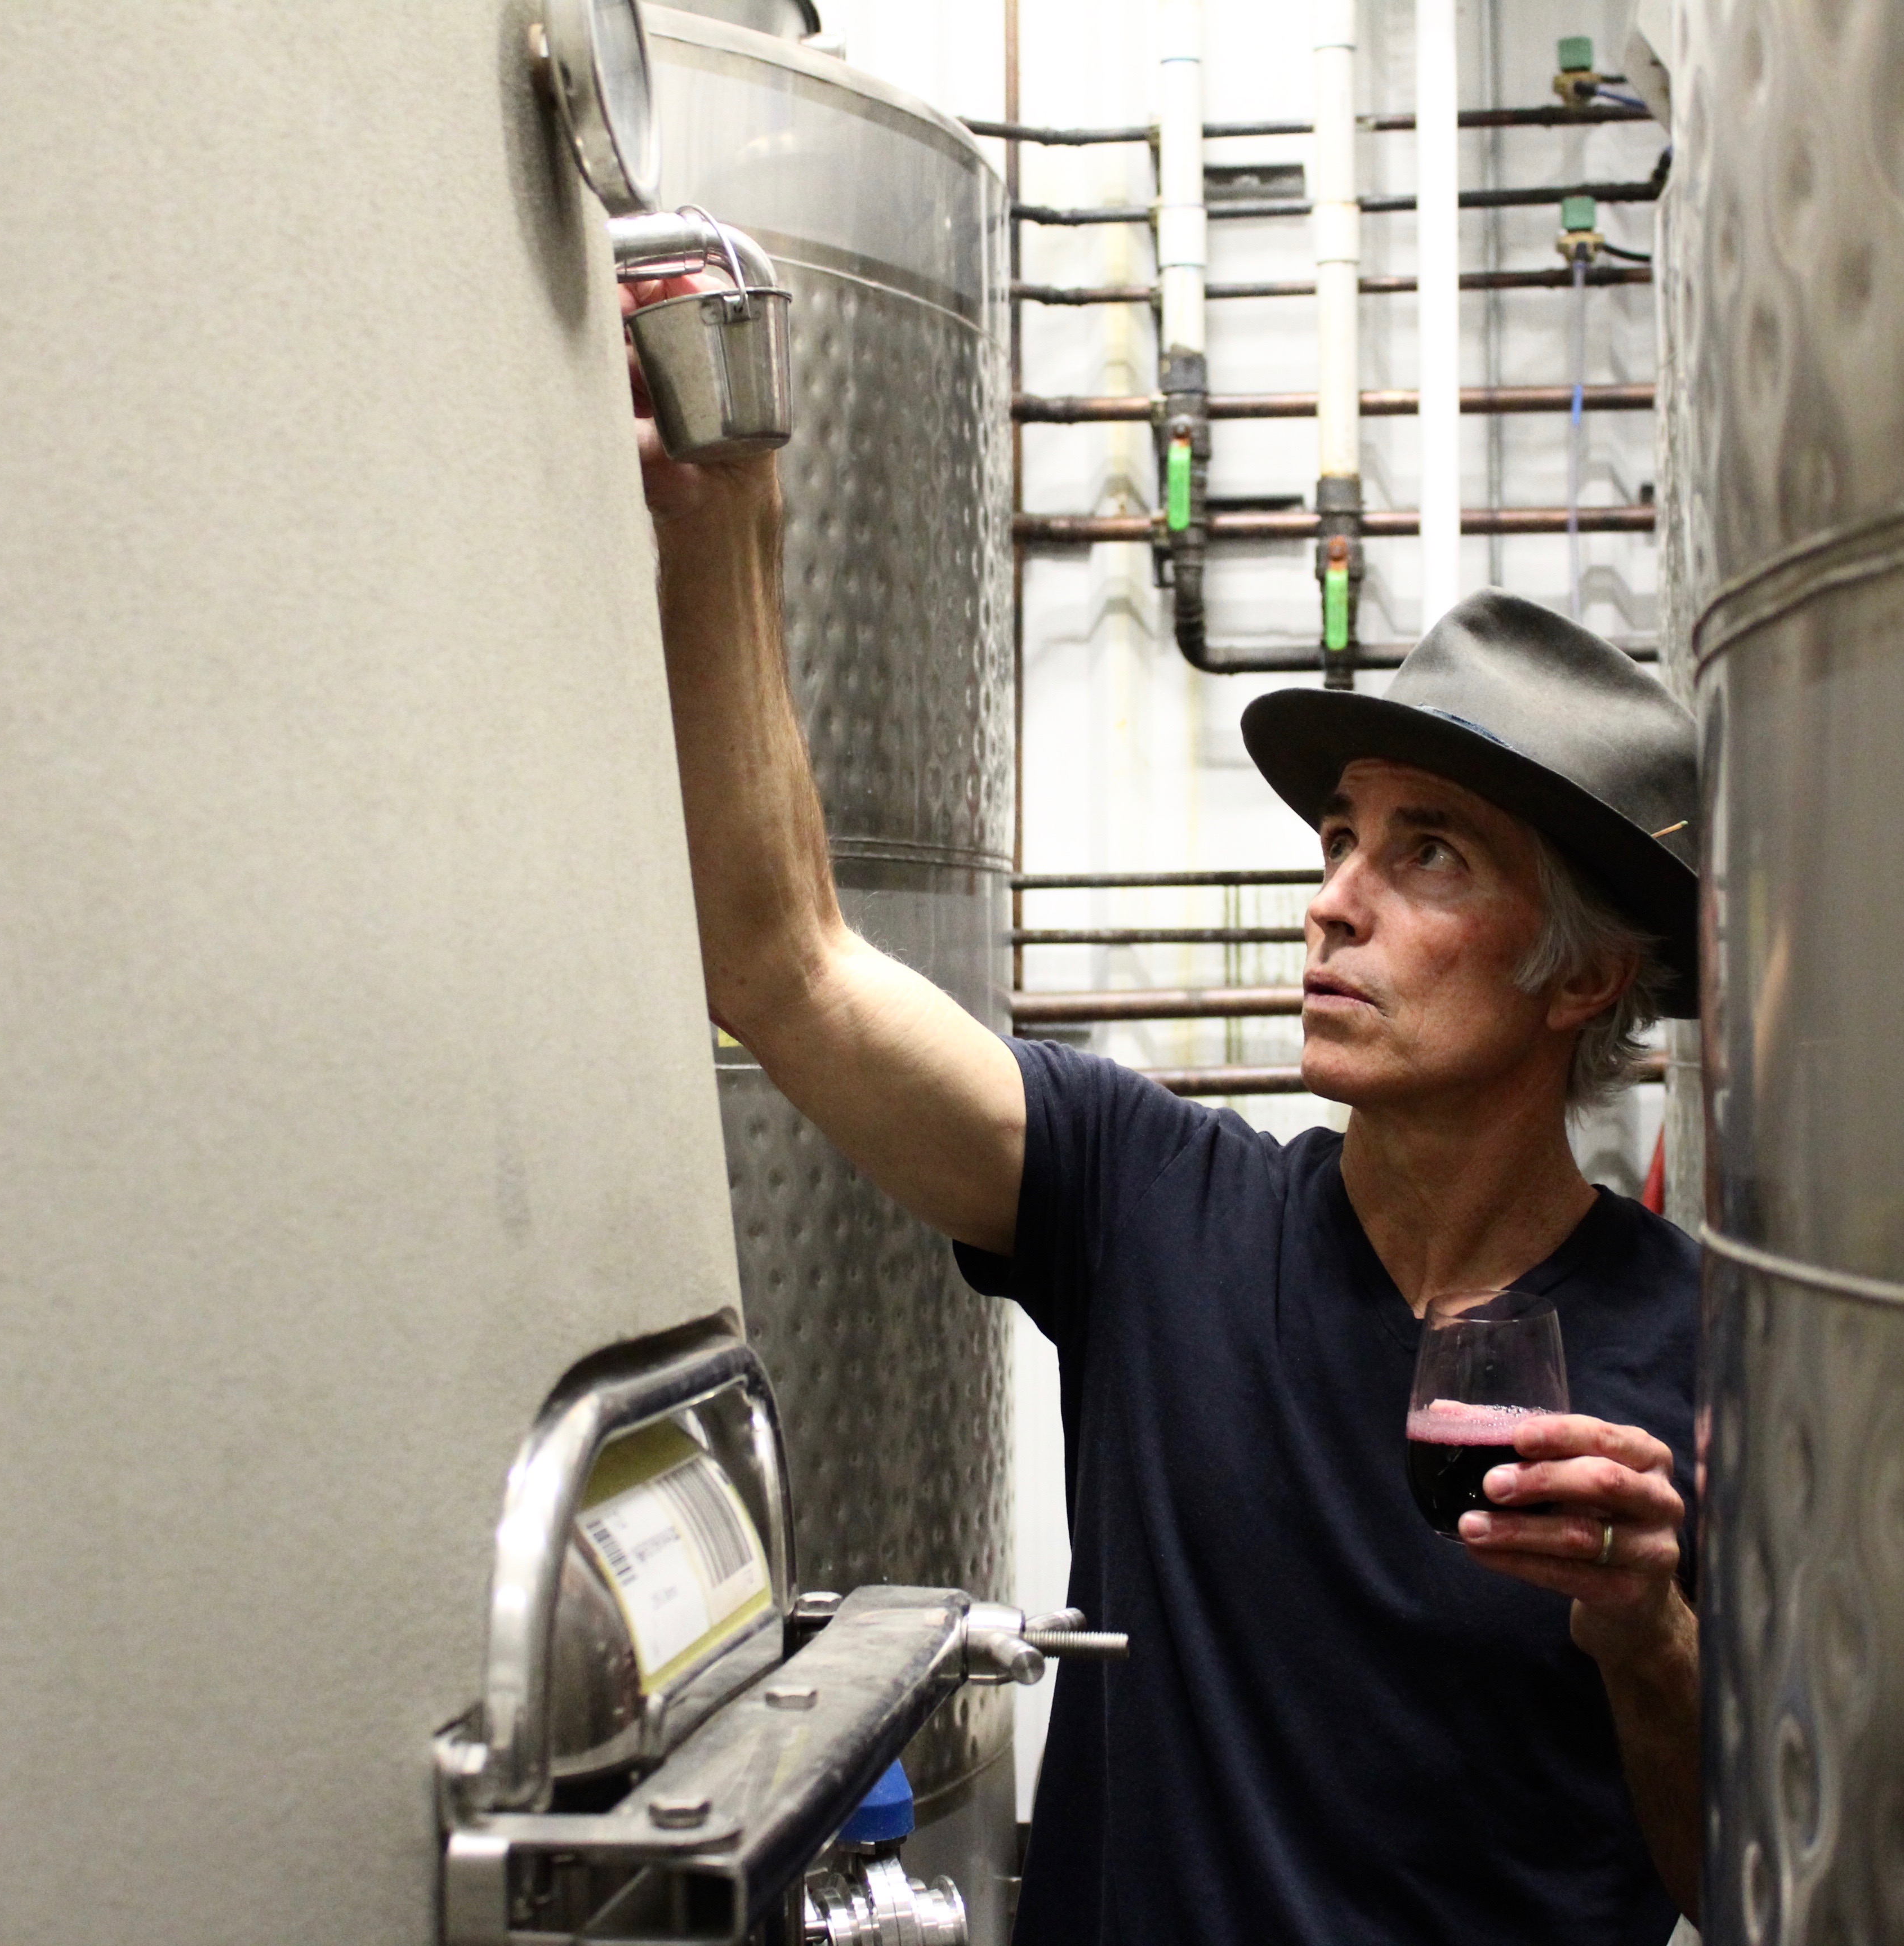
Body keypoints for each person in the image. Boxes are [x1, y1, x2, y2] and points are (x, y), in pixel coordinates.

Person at [632, 291, 1702, 1945]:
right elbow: (785, 972)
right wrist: (729, 525)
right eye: (1340, 836)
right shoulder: (1154, 1211)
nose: (1333, 902)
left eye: (1429, 855)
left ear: (1581, 979)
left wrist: (1647, 1637)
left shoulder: (1702, 1349)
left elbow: (1745, 1877)